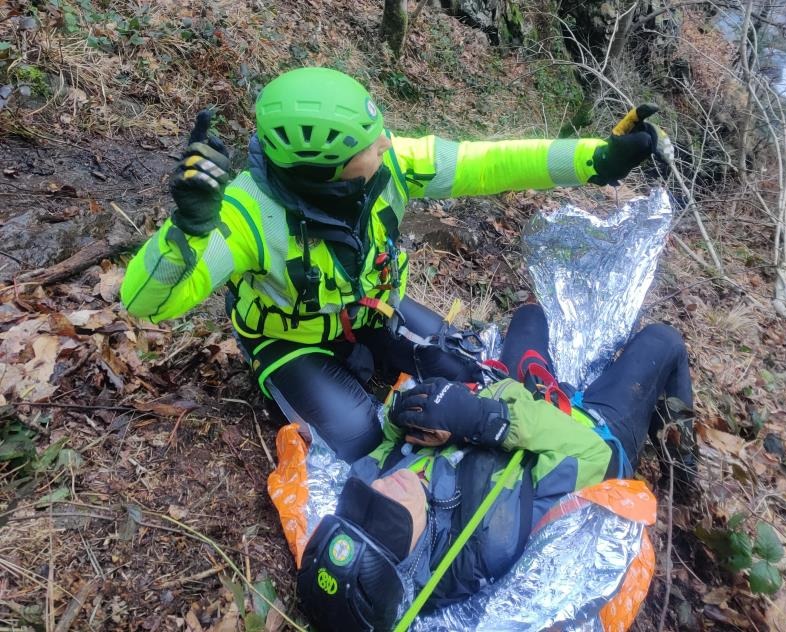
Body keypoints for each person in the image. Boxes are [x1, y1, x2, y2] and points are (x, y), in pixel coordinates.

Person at [120, 66, 668, 462]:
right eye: (370, 143)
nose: (387, 141)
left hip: (373, 310)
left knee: (471, 371)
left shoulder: (392, 164)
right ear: (328, 169)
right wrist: (184, 232)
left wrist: (593, 160)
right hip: (291, 342)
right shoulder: (246, 213)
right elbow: (145, 302)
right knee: (361, 437)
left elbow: (490, 161)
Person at [296, 304, 698, 631]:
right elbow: (590, 454)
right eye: (385, 516)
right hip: (584, 426)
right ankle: (686, 461)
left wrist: (402, 414)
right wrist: (486, 421)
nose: (383, 488)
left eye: (360, 503)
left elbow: (386, 441)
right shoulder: (491, 535)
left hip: (511, 397)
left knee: (529, 315)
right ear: (412, 564)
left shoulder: (375, 486)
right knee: (663, 341)